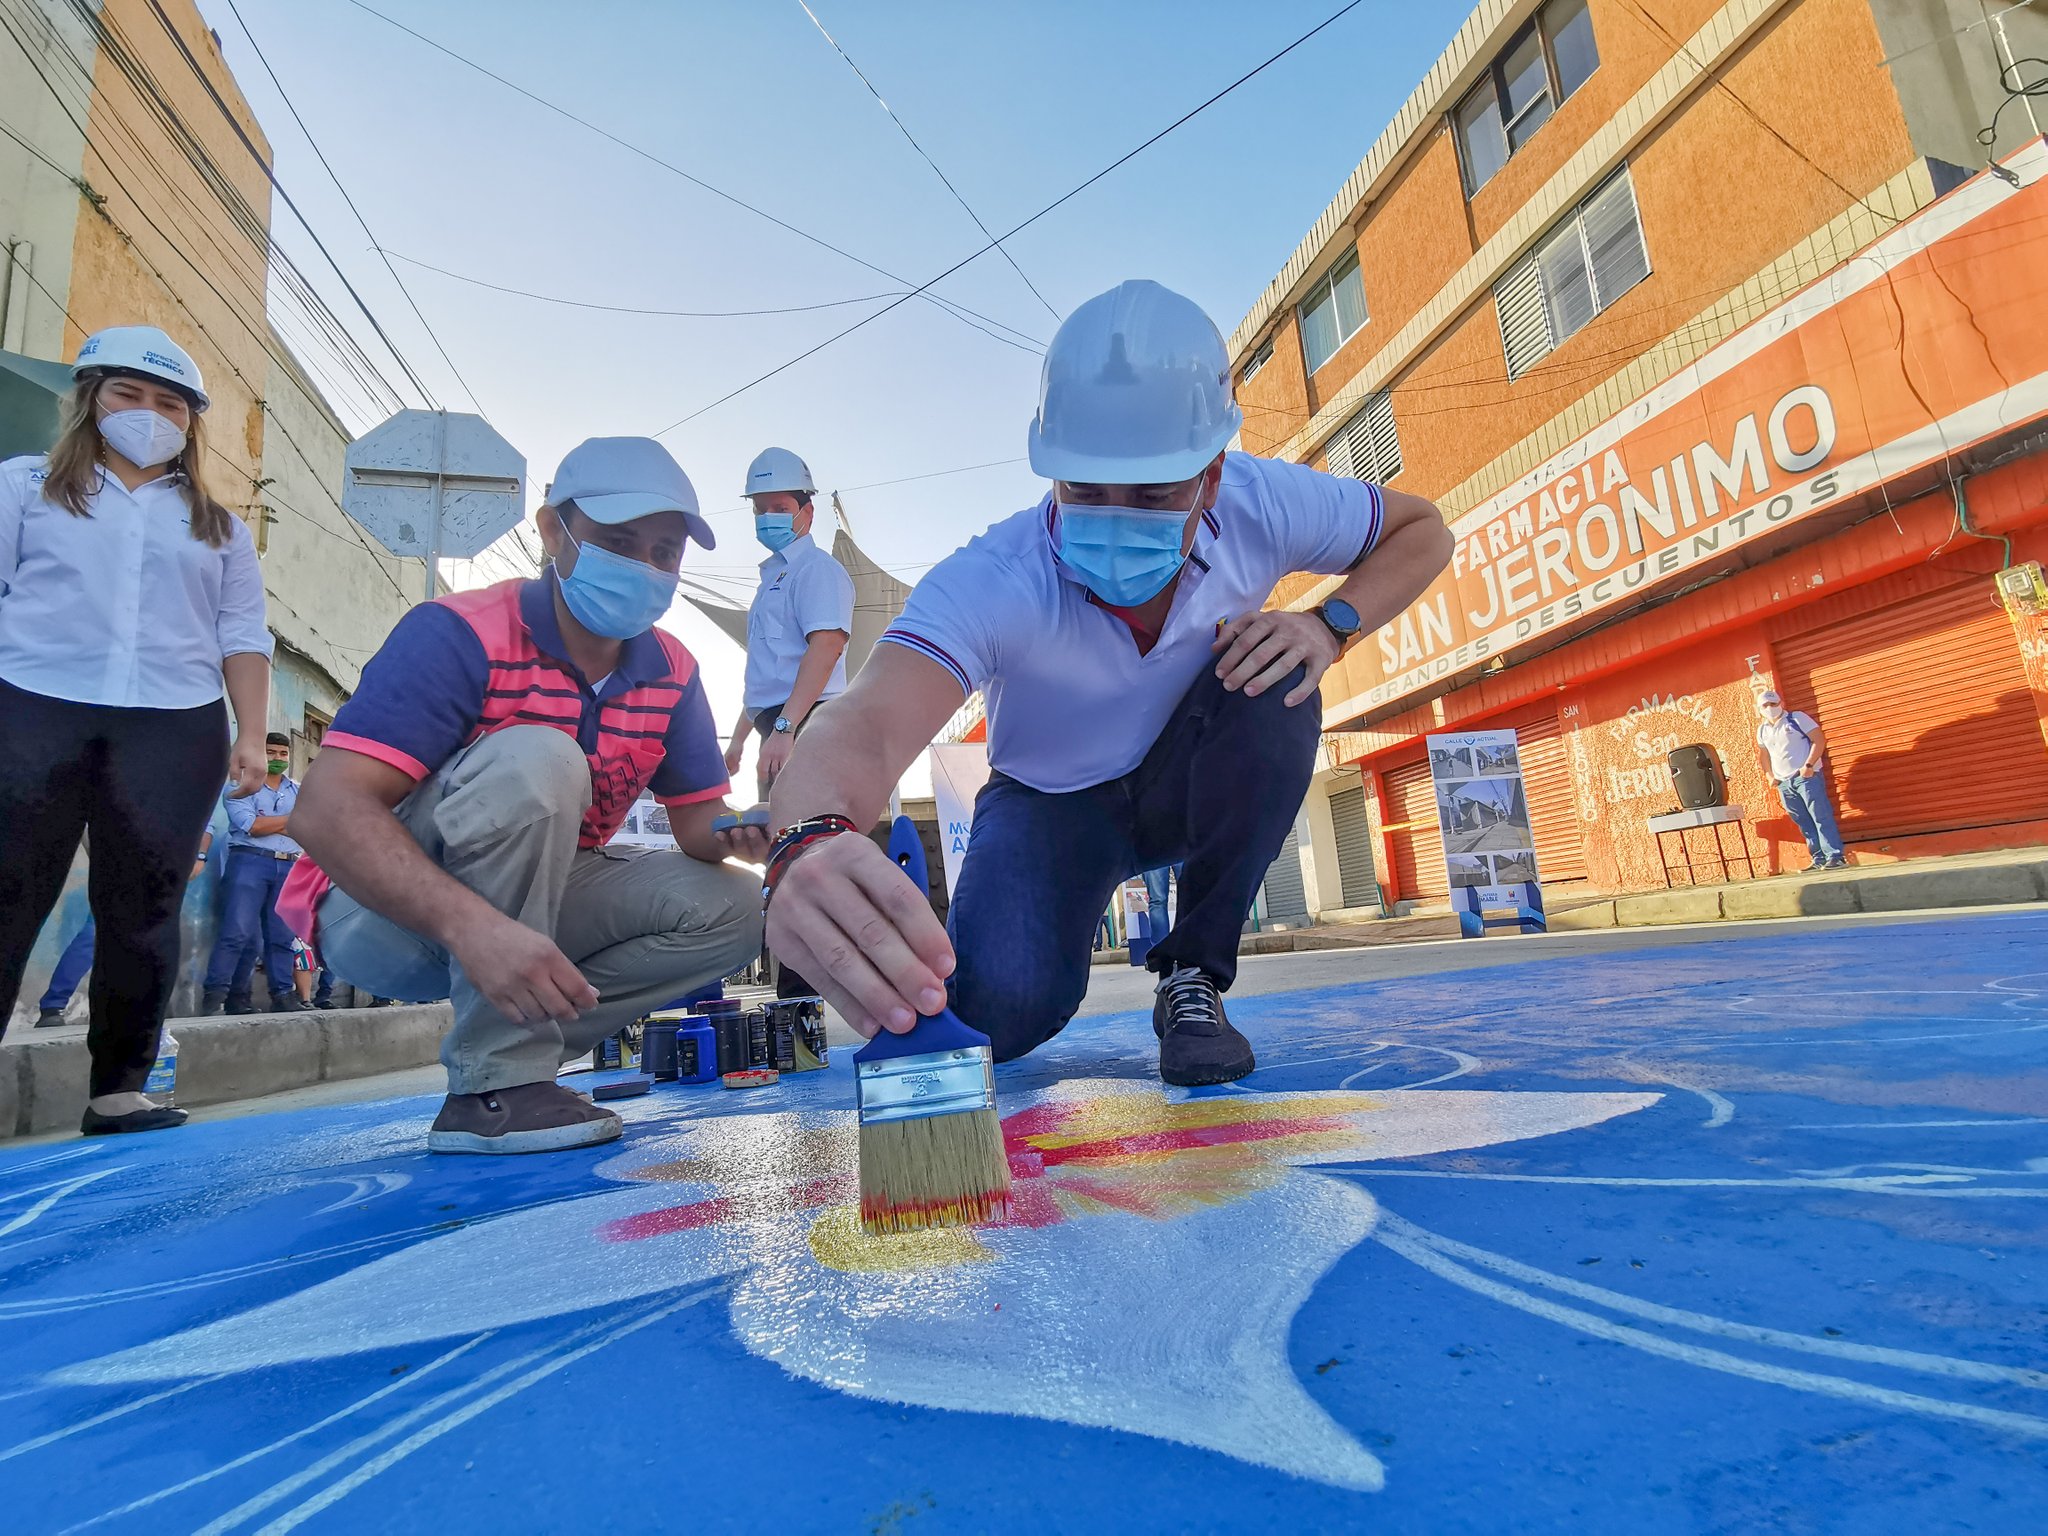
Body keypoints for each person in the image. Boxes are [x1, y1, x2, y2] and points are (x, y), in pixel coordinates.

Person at [764, 280, 1453, 1085]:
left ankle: (1194, 973)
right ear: (1050, 466)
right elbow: (869, 724)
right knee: (997, 1015)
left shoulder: (1267, 502)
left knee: (1278, 680)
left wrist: (1327, 625)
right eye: (1085, 490)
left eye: (1155, 494)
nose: (1118, 517)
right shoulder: (994, 578)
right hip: (1050, 808)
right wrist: (806, 838)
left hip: (1186, 776)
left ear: (1214, 475)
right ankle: (997, 972)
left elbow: (1423, 530)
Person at [284, 437, 769, 1154]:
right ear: (552, 531)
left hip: (532, 911)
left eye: (664, 552)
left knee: (737, 907)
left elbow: (699, 824)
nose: (645, 567)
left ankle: (508, 1052)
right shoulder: (461, 634)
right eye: (618, 542)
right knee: (540, 756)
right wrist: (472, 929)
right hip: (379, 917)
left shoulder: (672, 670)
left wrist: (752, 829)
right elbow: (325, 810)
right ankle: (494, 1086)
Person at [0, 325, 272, 1135]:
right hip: (31, 705)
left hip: (171, 726)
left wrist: (251, 736)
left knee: (144, 907)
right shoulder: (23, 487)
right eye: (129, 394)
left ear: (190, 423)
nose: (148, 414)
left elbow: (243, 637)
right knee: (10, 895)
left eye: (170, 404)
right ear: (91, 400)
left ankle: (119, 1089)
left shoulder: (221, 528)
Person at [720, 447, 855, 1003]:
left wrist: (787, 729)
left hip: (809, 722)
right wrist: (738, 742)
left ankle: (803, 1002)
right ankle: (793, 1001)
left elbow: (826, 646)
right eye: (759, 507)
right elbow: (765, 677)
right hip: (781, 726)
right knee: (783, 865)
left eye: (779, 505)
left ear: (807, 512)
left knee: (806, 862)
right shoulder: (770, 581)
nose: (767, 516)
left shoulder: (817, 571)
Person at [35, 827, 213, 1027]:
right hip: (122, 839)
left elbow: (206, 820)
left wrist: (200, 855)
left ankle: (63, 1004)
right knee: (96, 933)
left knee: (144, 933)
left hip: (157, 850)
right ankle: (54, 1004)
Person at [201, 730, 306, 1013]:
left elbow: (310, 824)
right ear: (260, 753)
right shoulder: (240, 788)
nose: (277, 758)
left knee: (281, 936)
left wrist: (274, 822)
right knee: (237, 933)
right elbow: (251, 826)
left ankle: (283, 996)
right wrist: (292, 821)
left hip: (288, 864)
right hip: (249, 861)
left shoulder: (298, 790)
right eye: (271, 752)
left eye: (283, 754)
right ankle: (217, 997)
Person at [1754, 688, 1847, 871]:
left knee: (1820, 816)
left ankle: (1835, 856)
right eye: (1766, 705)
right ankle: (1819, 858)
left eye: (1774, 704)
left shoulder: (1797, 718)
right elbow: (1764, 755)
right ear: (1759, 709)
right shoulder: (1762, 730)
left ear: (1781, 704)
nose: (1770, 708)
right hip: (1784, 783)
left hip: (1806, 777)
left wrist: (1809, 765)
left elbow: (1819, 739)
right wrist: (1769, 776)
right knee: (1803, 821)